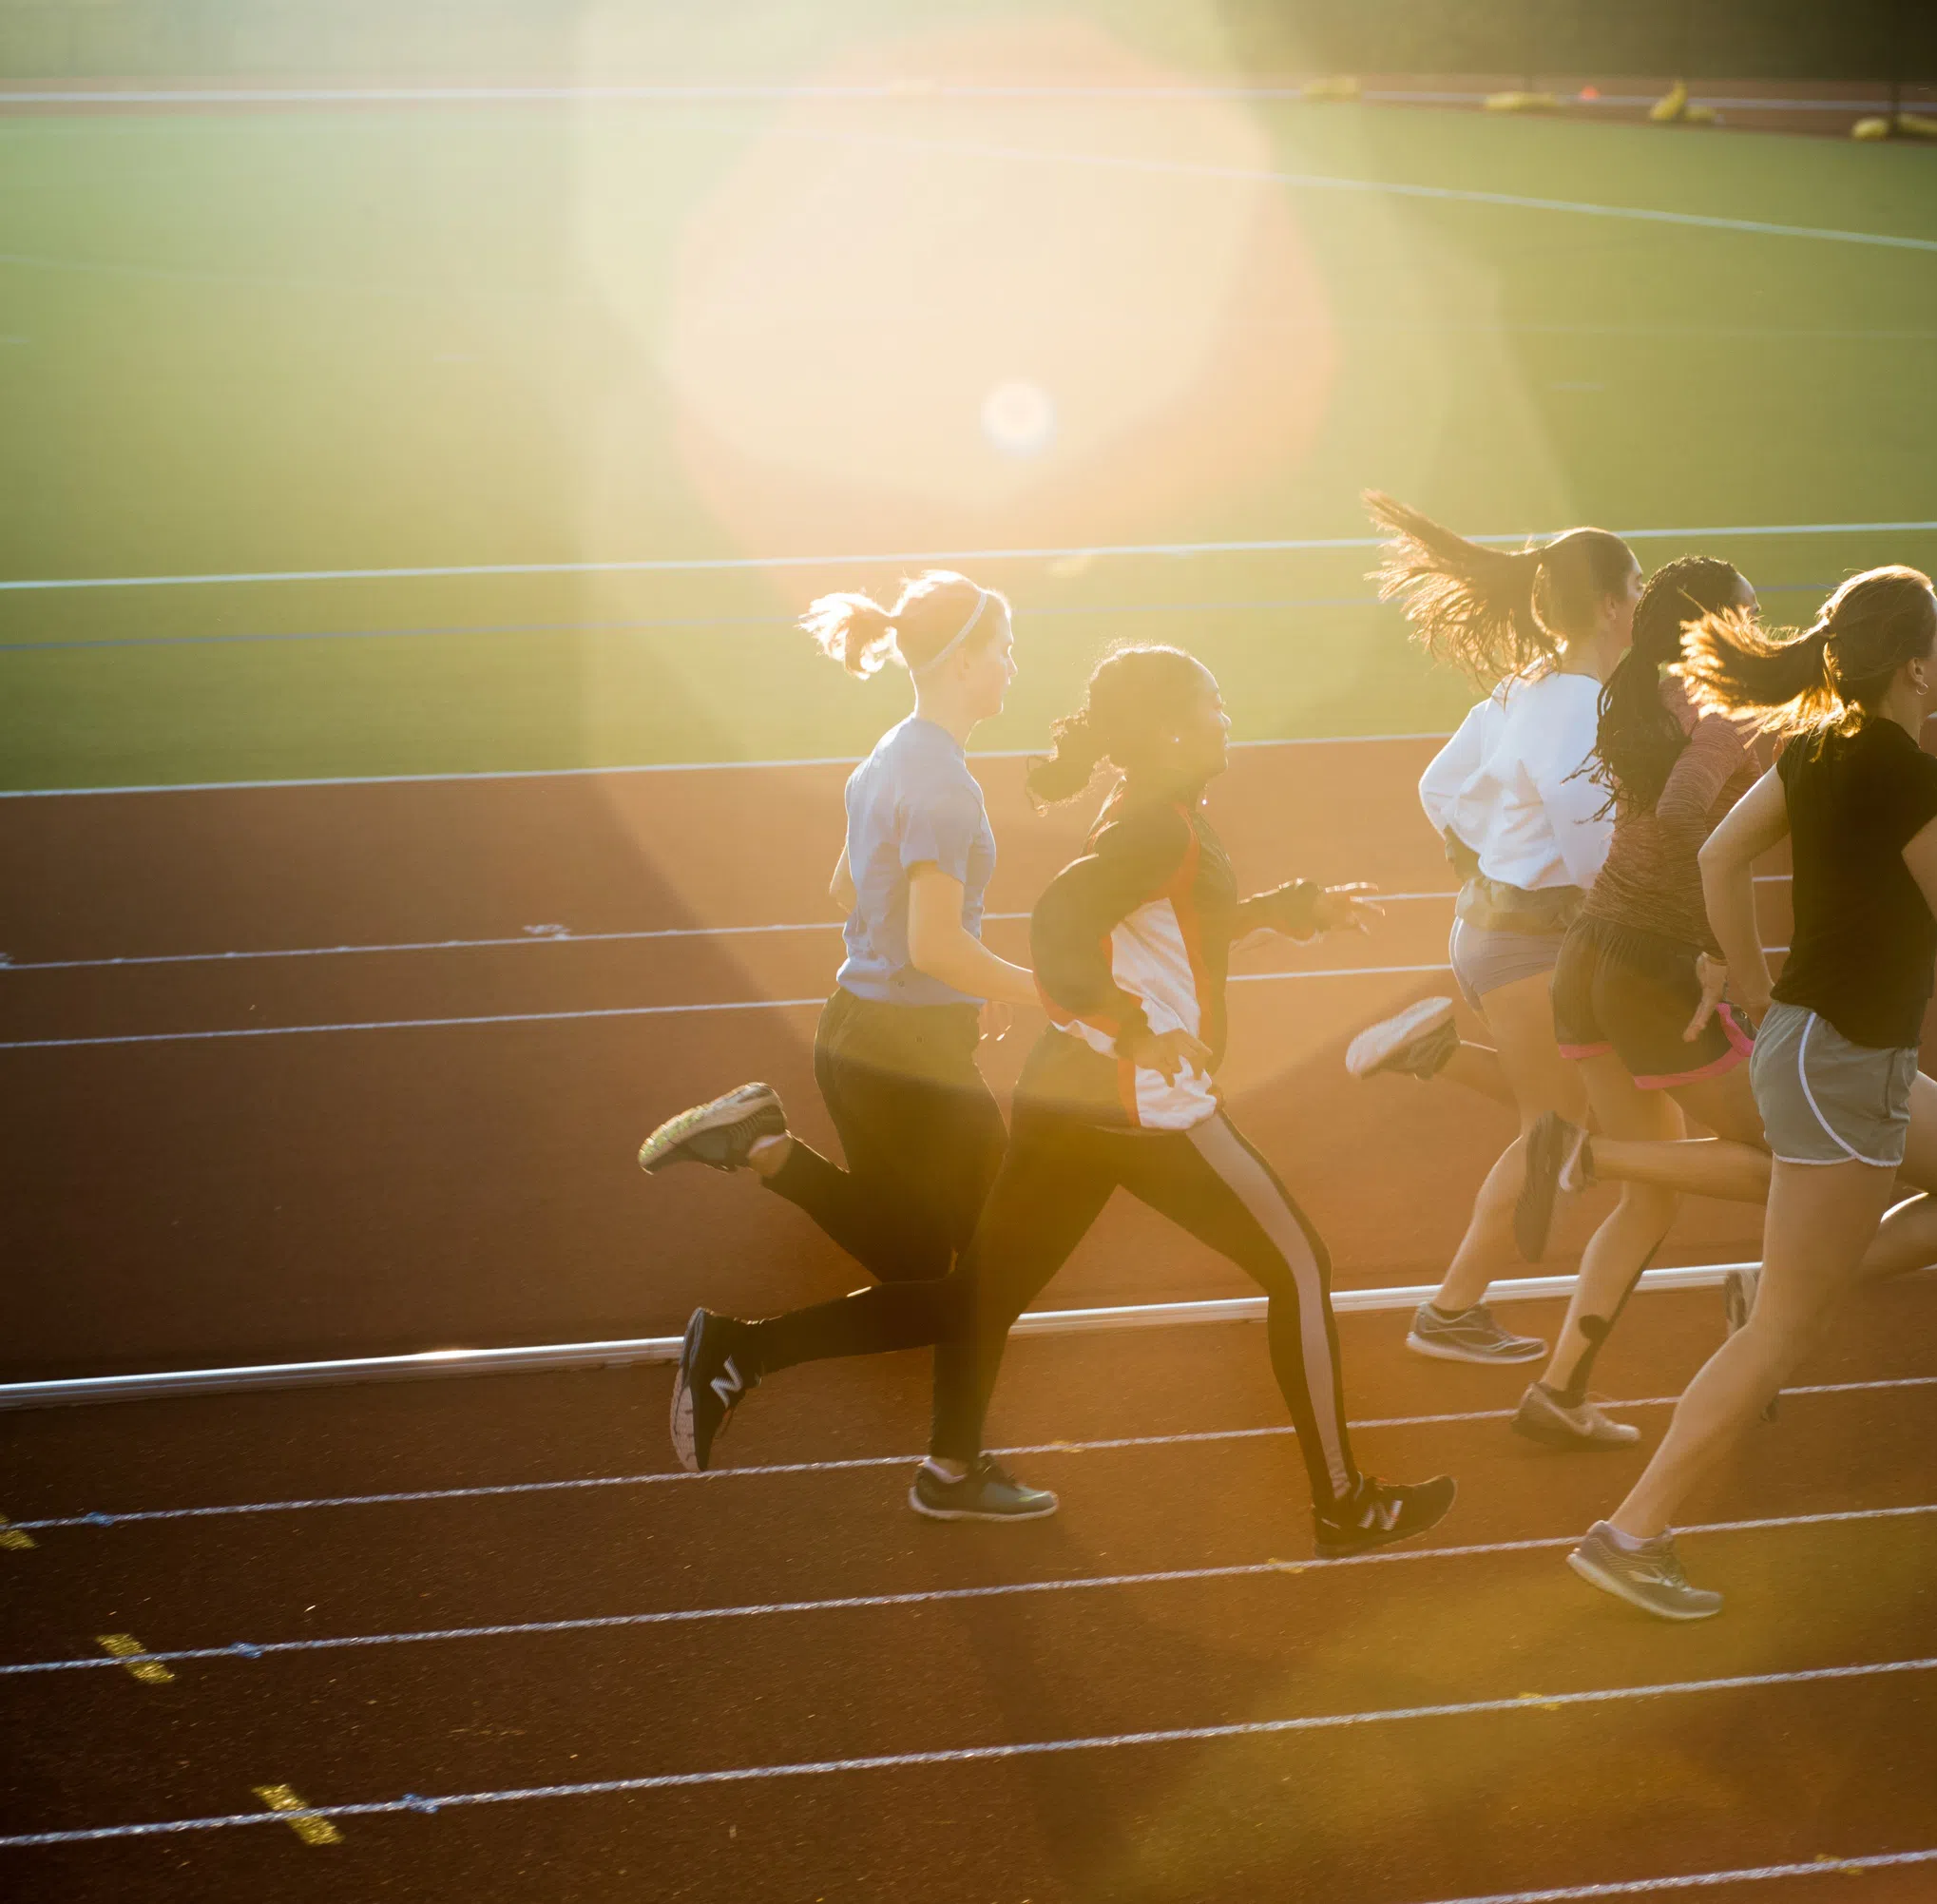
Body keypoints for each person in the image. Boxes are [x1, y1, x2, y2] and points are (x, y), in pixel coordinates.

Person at [1566, 567, 1937, 1619]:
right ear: (1914, 661)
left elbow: (1722, 858)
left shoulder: (1816, 744)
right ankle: (1633, 1532)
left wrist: (1764, 992)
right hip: (1842, 1062)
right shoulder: (1907, 775)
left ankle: (1772, 1289)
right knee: (1783, 1335)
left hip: (1841, 1053)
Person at [914, 644, 1457, 1559]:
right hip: (1141, 1101)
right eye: (1213, 702)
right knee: (1300, 1266)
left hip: (1065, 1089)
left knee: (991, 1285)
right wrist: (1134, 1031)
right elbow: (1055, 927)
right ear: (1171, 726)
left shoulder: (1150, 817)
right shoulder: (1161, 826)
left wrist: (1288, 909)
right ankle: (1344, 1504)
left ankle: (947, 1466)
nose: (1226, 717)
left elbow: (1176, 927)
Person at [635, 571, 1043, 1473]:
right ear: (967, 662)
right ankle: (758, 1358)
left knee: (914, 1255)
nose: (1014, 667)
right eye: (1006, 651)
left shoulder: (890, 755)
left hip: (857, 1036)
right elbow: (935, 944)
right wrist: (1043, 993)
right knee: (988, 1277)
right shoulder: (944, 783)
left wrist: (973, 987)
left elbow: (848, 887)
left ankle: (764, 1147)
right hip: (910, 1057)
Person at [1344, 491, 1644, 1367]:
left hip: (1487, 931)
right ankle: (1450, 1308)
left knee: (1559, 1114)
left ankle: (1426, 1053)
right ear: (1612, 605)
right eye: (1637, 584)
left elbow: (1440, 786)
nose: (1643, 600)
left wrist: (1485, 859)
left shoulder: (1524, 687)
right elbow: (1590, 844)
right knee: (1551, 1131)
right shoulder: (1584, 705)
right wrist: (1625, 903)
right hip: (1533, 945)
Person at [1506, 556, 1781, 1453]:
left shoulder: (1648, 694)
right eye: (1748, 613)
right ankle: (1593, 1156)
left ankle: (1558, 1389)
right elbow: (1686, 815)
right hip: (1647, 973)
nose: (1761, 622)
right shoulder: (1717, 709)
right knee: (1793, 1160)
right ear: (1716, 626)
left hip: (1588, 959)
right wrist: (1719, 950)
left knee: (1653, 1198)